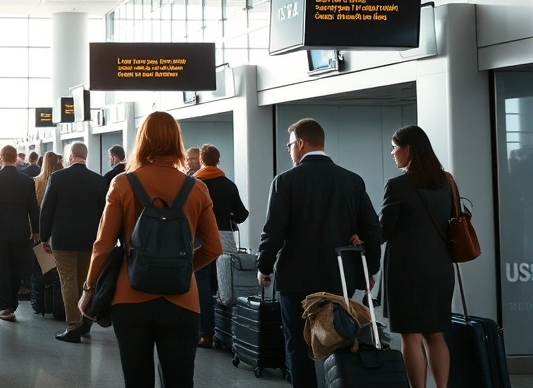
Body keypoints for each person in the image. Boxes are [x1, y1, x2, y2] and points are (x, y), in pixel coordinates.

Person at [78, 112, 222, 387]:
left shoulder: (122, 184)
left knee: (136, 380)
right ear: (176, 142)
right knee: (179, 381)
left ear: (142, 141)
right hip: (182, 299)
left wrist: (89, 290)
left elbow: (103, 245)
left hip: (130, 297)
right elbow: (214, 247)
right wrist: (181, 267)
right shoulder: (197, 188)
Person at [256, 118, 382, 388]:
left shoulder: (285, 181)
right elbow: (371, 228)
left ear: (300, 143)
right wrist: (369, 270)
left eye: (289, 144)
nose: (289, 150)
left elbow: (273, 232)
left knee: (298, 346)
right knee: (341, 339)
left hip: (296, 281)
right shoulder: (352, 180)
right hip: (340, 277)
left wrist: (264, 267)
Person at [380, 126, 453, 388]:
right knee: (435, 333)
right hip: (441, 267)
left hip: (407, 269)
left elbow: (385, 229)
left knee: (410, 336)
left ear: (408, 148)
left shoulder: (398, 185)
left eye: (394, 147)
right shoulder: (446, 181)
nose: (392, 152)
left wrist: (362, 236)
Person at [39, 142, 107, 343]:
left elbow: (47, 209)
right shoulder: (99, 181)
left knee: (68, 281)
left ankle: (73, 326)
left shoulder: (58, 178)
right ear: (85, 156)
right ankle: (85, 323)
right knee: (86, 282)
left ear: (70, 156)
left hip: (63, 239)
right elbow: (104, 214)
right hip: (90, 241)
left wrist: (44, 236)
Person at [193, 143, 249, 348]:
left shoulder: (195, 183)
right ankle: (227, 332)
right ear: (218, 161)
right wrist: (228, 215)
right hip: (224, 239)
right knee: (224, 285)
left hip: (200, 239)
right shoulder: (228, 184)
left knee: (202, 284)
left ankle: (206, 333)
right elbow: (242, 214)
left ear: (201, 160)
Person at [0, 145, 40, 321]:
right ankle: (12, 304)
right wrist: (36, 230)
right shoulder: (27, 180)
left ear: (1, 158)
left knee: (0, 266)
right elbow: (33, 209)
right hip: (20, 231)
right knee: (15, 267)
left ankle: (4, 306)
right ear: (15, 158)